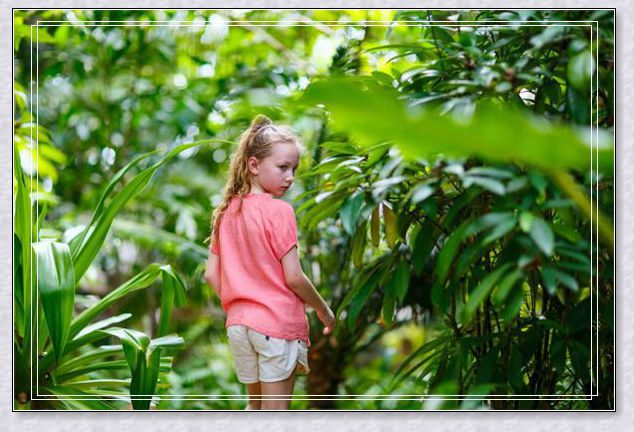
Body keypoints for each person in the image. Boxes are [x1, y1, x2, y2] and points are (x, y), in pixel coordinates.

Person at [203, 114, 336, 410]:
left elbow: (211, 275)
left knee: (255, 408)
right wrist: (324, 311)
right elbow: (294, 277)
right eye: (282, 167)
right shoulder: (279, 212)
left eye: (294, 169)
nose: (290, 177)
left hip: (239, 326)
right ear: (253, 165)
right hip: (276, 326)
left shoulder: (226, 212)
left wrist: (244, 302)